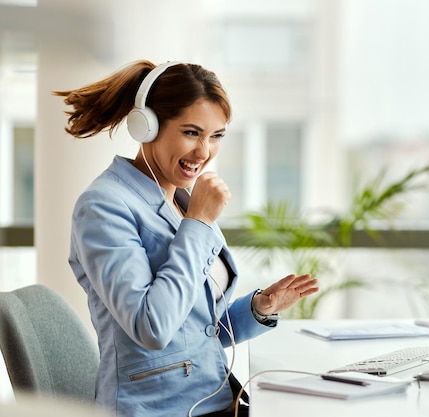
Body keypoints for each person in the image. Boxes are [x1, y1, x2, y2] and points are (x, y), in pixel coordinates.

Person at [53, 60, 319, 417]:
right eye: (191, 132)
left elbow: (200, 332)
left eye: (217, 136)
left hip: (214, 400)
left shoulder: (181, 198)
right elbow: (153, 327)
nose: (204, 152)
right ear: (146, 126)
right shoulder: (103, 206)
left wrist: (258, 308)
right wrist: (199, 222)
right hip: (156, 410)